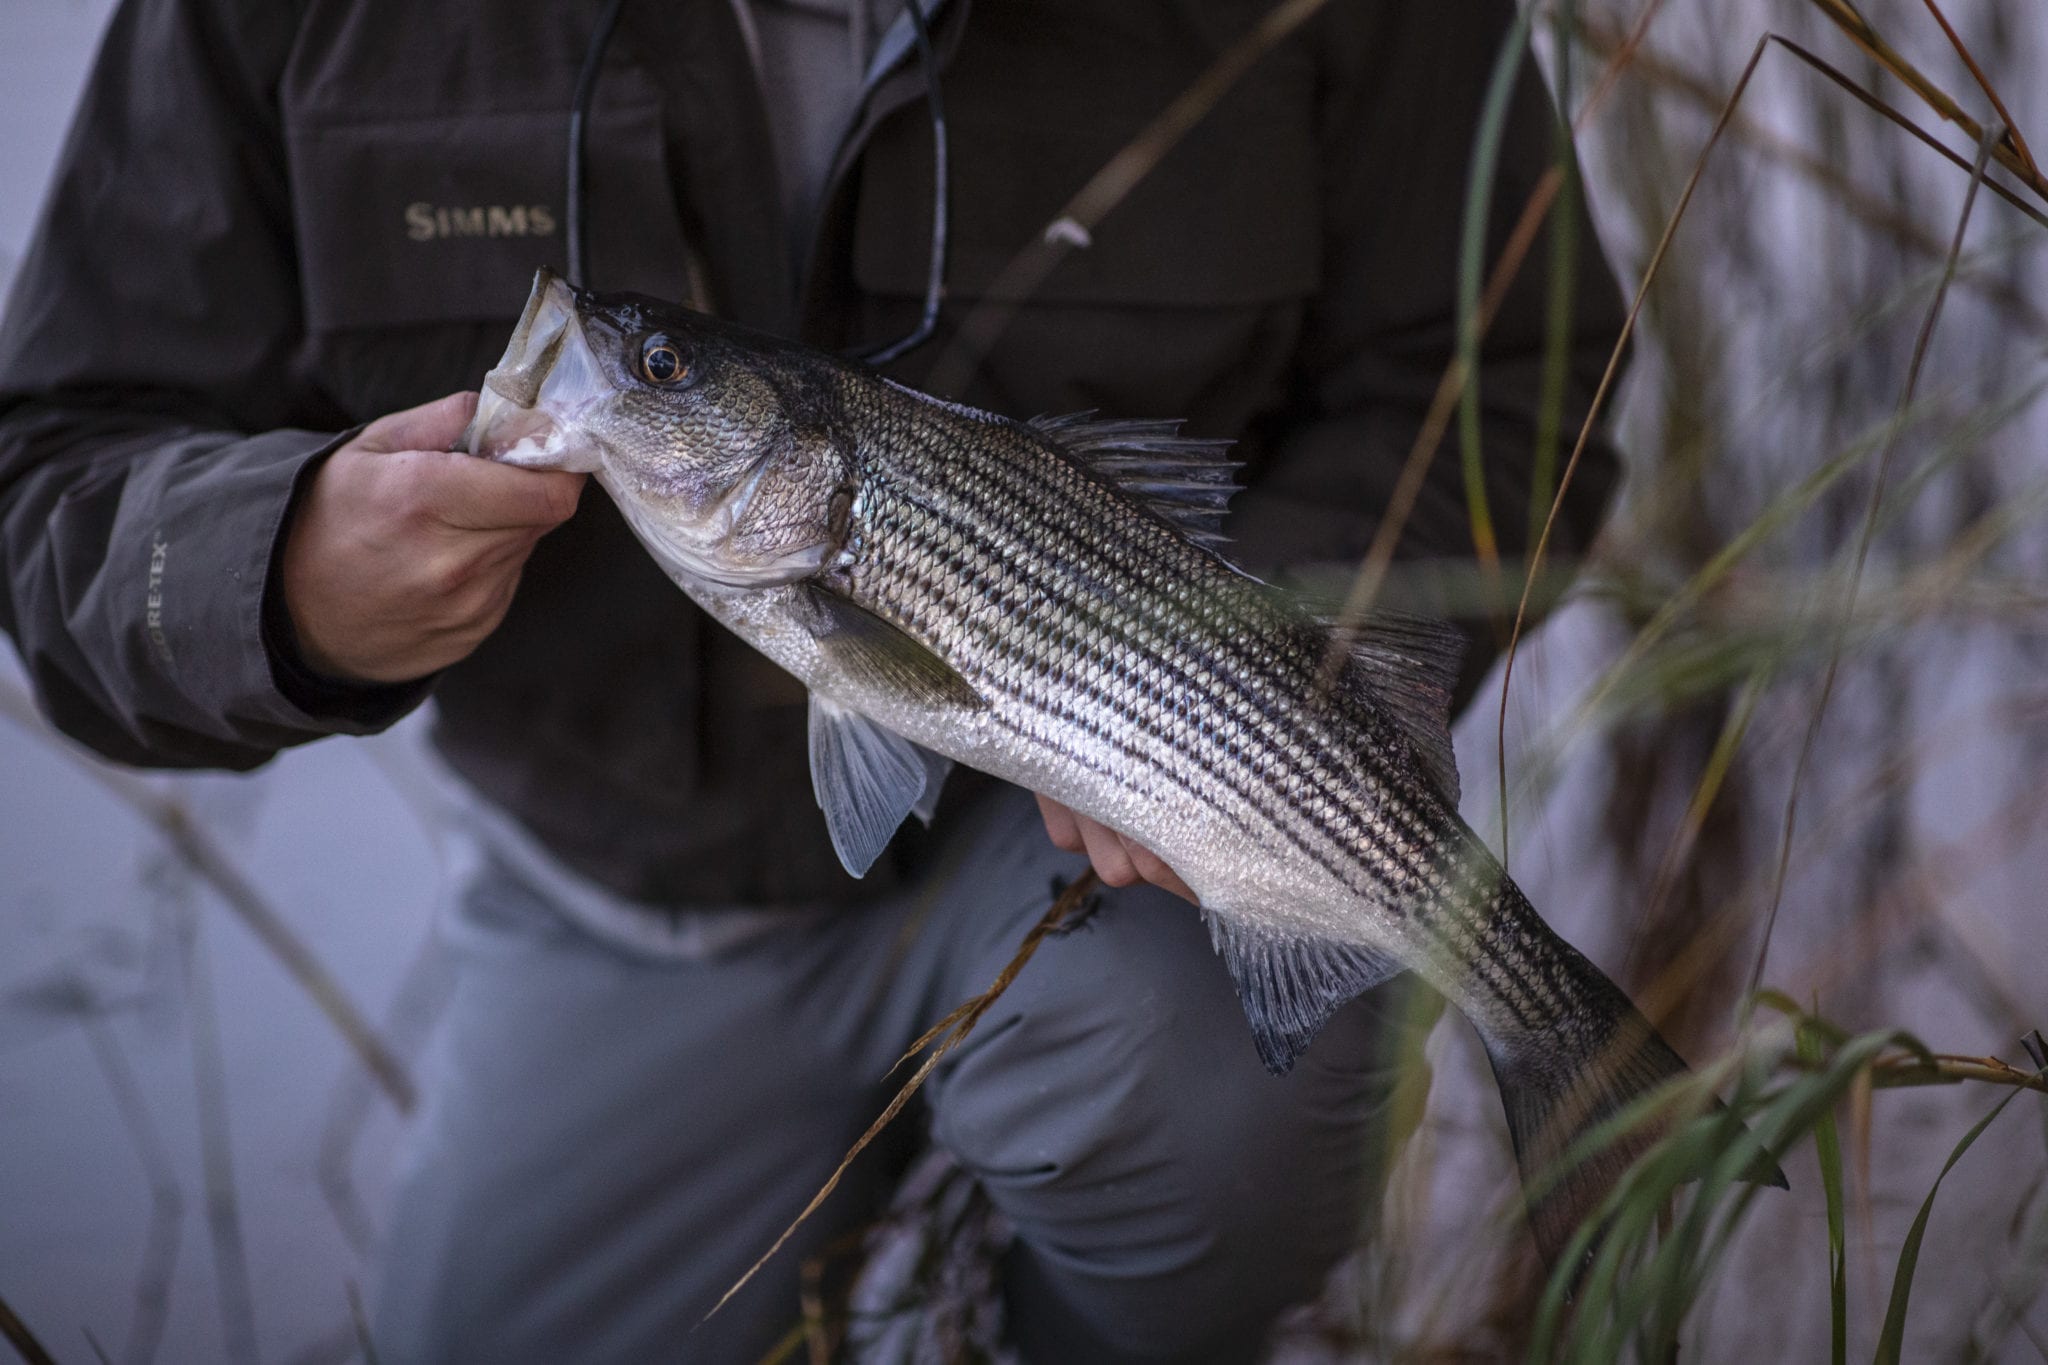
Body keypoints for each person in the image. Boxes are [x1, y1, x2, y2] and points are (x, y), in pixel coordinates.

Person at [0, 0, 1626, 1359]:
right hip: (623, 893)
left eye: (655, 374)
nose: (614, 368)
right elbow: (53, 477)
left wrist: (1251, 684)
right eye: (647, 367)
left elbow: (1510, 365)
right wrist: (274, 574)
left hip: (1083, 855)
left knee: (1226, 1135)